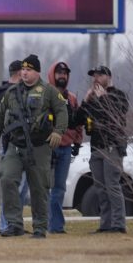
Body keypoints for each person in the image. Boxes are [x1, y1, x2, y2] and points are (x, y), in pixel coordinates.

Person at [0, 55, 68, 239]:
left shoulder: (49, 91)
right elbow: (0, 116)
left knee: (39, 188)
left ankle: (40, 227)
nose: (24, 72)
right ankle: (14, 224)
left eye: (29, 69)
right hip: (15, 146)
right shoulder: (12, 92)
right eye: (23, 69)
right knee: (7, 178)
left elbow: (62, 111)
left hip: (39, 147)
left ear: (37, 72)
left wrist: (58, 131)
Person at [73, 65, 129, 234]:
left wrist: (104, 98)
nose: (96, 78)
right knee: (100, 188)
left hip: (112, 146)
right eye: (94, 75)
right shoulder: (93, 99)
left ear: (108, 77)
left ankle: (118, 224)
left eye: (99, 75)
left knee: (112, 186)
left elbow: (117, 114)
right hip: (96, 147)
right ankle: (106, 224)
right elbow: (76, 121)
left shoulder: (118, 96)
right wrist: (85, 100)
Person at [46, 61, 83, 234]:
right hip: (47, 147)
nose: (62, 76)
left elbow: (78, 123)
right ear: (52, 74)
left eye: (65, 73)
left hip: (66, 148)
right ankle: (44, 223)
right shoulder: (44, 95)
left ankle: (56, 226)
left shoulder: (72, 99)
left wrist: (77, 142)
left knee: (59, 188)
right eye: (59, 73)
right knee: (45, 187)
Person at [0, 60, 30, 234]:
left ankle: (15, 223)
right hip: (10, 146)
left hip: (25, 145)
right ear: (18, 74)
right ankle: (6, 224)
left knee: (21, 189)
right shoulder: (5, 93)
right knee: (12, 187)